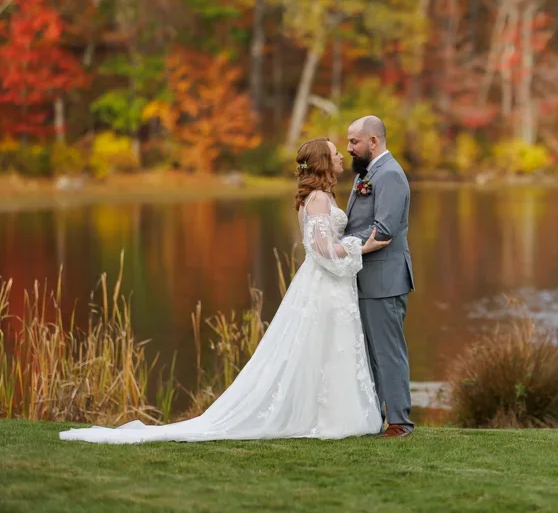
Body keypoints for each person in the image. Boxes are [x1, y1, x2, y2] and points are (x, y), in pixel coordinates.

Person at [59, 138, 390, 444]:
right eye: (334, 153)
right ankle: (332, 420)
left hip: (331, 285)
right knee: (326, 345)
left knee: (332, 347)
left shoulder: (323, 196)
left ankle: (333, 414)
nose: (340, 156)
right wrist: (361, 246)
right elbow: (321, 250)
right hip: (322, 285)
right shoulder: (318, 199)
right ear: (322, 162)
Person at [344, 116, 415, 438]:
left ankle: (400, 422)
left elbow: (383, 231)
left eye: (354, 142)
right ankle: (375, 418)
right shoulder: (370, 173)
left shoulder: (390, 175)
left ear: (373, 141)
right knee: (370, 353)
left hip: (385, 281)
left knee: (388, 352)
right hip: (367, 279)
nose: (349, 149)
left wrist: (338, 245)